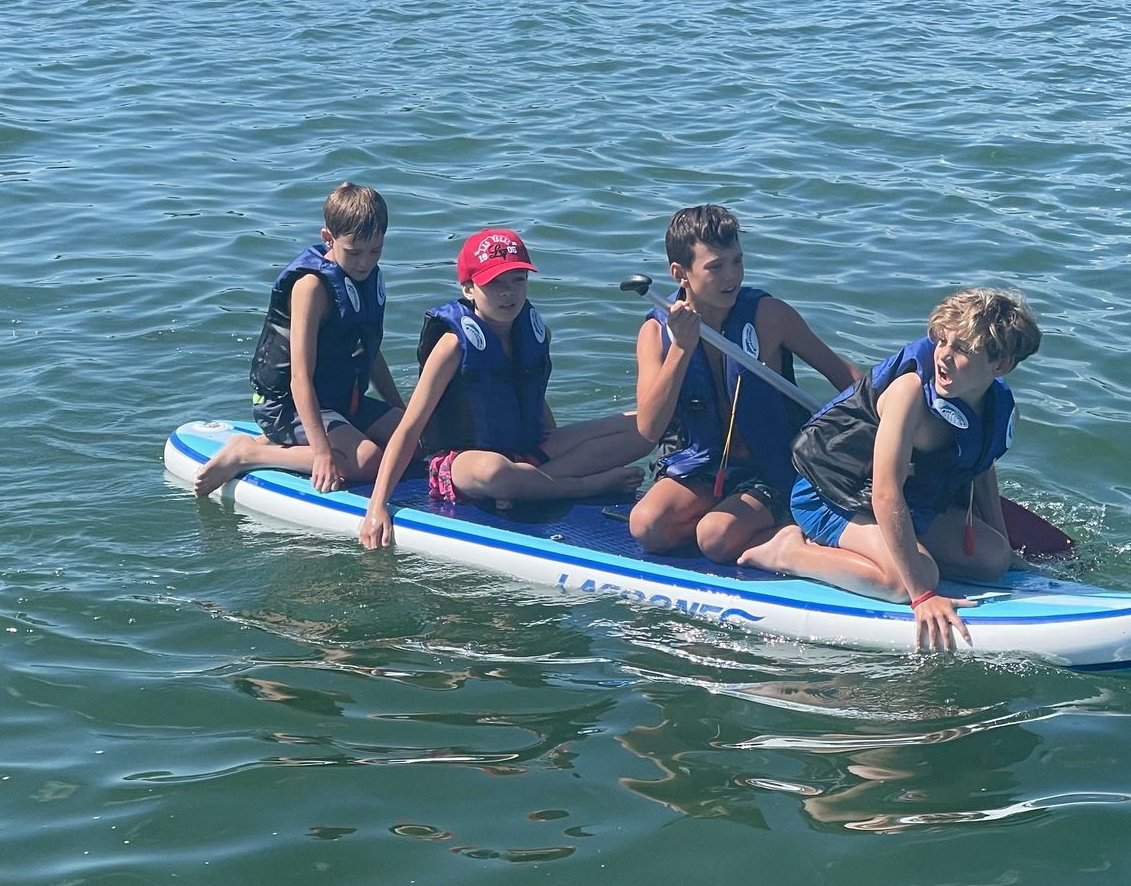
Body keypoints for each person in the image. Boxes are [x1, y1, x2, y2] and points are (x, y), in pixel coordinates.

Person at [738, 289, 1041, 651]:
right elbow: (885, 492)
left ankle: (897, 551)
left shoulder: (996, 405)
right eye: (942, 340)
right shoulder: (909, 392)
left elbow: (980, 466)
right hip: (828, 495)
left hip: (900, 504)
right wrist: (923, 595)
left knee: (992, 560)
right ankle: (788, 551)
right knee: (908, 579)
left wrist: (1006, 547)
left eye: (961, 349)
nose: (943, 355)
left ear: (1000, 364)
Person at [359, 229, 648, 549]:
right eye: (494, 283)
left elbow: (535, 400)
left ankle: (532, 484)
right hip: (466, 463)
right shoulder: (453, 346)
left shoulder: (538, 332)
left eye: (518, 280)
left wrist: (558, 446)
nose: (508, 293)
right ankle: (580, 486)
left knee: (642, 424)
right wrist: (377, 506)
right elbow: (409, 428)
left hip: (528, 450)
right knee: (496, 472)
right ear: (468, 289)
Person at [629, 204, 859, 563]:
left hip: (770, 467)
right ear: (680, 274)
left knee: (714, 536)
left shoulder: (769, 316)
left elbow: (846, 378)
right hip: (700, 464)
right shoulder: (655, 332)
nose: (731, 276)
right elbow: (648, 428)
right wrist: (681, 350)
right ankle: (743, 526)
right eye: (715, 267)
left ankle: (791, 535)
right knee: (648, 526)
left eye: (737, 261)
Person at [194, 183, 404, 497]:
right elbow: (299, 377)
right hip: (287, 406)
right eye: (354, 252)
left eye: (375, 251)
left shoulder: (367, 277)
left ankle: (309, 441)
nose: (365, 262)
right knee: (368, 461)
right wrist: (321, 453)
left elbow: (369, 353)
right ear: (328, 239)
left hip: (339, 402)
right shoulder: (311, 288)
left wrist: (401, 412)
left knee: (412, 439)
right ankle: (248, 453)